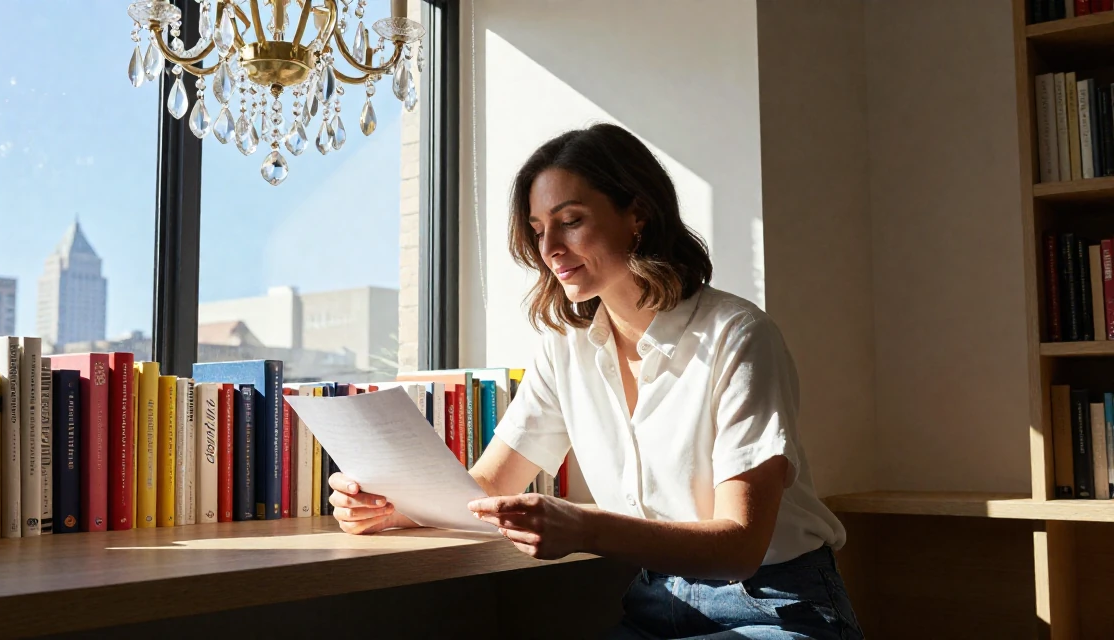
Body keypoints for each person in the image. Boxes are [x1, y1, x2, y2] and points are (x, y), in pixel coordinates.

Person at [327, 122, 864, 639]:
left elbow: (740, 547)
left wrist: (584, 528)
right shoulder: (564, 348)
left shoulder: (738, 336)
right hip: (656, 604)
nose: (549, 248)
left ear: (638, 214)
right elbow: (489, 488)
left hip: (774, 607)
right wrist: (394, 509)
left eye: (571, 220)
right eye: (538, 230)